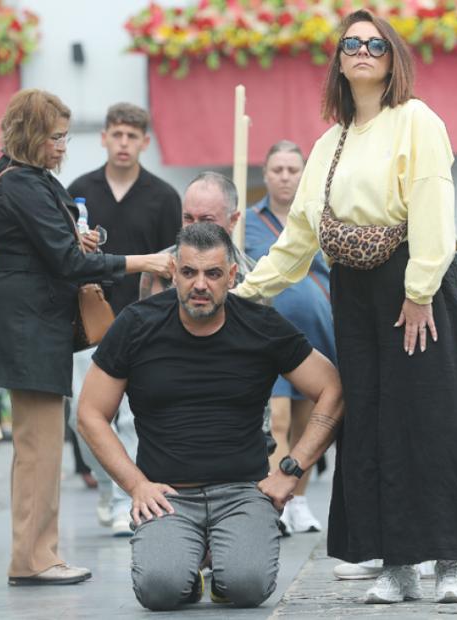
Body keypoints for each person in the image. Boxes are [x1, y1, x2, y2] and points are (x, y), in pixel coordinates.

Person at [234, 9, 457, 605]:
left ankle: (451, 561)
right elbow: (298, 238)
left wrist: (421, 287)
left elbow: (432, 201)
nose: (364, 50)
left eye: (376, 43)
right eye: (352, 43)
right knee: (371, 422)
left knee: (431, 415)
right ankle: (397, 563)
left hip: (414, 283)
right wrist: (245, 294)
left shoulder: (417, 120)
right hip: (355, 289)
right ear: (340, 60)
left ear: (392, 56)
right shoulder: (328, 143)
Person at [77, 223, 344, 610]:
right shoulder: (137, 324)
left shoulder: (261, 326)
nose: (200, 284)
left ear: (231, 276)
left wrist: (290, 470)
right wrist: (136, 486)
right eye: (189, 273)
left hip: (242, 493)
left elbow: (332, 389)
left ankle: (223, 561)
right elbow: (89, 413)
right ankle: (186, 562)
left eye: (213, 273)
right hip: (167, 495)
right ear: (174, 273)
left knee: (247, 587)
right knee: (160, 590)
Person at [0, 88, 174, 586]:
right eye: (57, 137)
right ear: (33, 136)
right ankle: (33, 558)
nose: (63, 146)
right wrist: (142, 261)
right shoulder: (19, 183)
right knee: (39, 449)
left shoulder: (22, 178)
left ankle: (40, 553)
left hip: (33, 325)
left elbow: (53, 248)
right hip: (28, 328)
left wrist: (72, 238)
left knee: (41, 449)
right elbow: (66, 262)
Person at [65, 102, 182, 537]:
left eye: (132, 136)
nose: (124, 143)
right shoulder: (79, 190)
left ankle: (122, 501)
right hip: (85, 327)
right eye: (117, 134)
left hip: (143, 327)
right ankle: (107, 491)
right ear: (104, 138)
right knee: (85, 422)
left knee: (132, 421)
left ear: (145, 142)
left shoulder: (164, 197)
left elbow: (174, 264)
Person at [244, 140, 337, 536]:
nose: (285, 177)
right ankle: (276, 500)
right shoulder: (247, 221)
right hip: (268, 337)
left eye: (292, 170)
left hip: (317, 334)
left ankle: (298, 499)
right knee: (276, 419)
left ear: (304, 174)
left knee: (309, 422)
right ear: (265, 174)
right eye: (277, 169)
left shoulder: (320, 216)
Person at [138, 171, 253, 299]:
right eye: (188, 218)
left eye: (206, 220)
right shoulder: (157, 269)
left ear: (233, 220)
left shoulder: (253, 277)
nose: (195, 227)